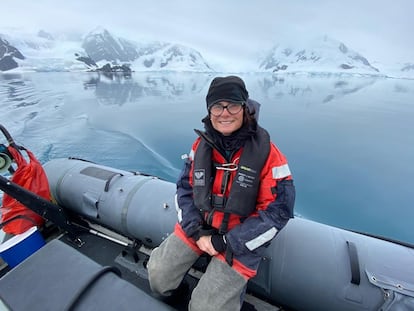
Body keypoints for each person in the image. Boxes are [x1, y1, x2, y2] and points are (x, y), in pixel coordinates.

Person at [147, 76, 295, 311]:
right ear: (209, 110)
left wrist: (225, 241)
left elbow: (278, 212)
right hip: (199, 228)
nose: (225, 113)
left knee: (206, 307)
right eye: (217, 106)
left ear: (245, 108)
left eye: (233, 105)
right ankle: (180, 296)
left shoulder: (268, 155)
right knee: (158, 275)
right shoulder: (200, 145)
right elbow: (185, 188)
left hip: (239, 240)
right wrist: (196, 230)